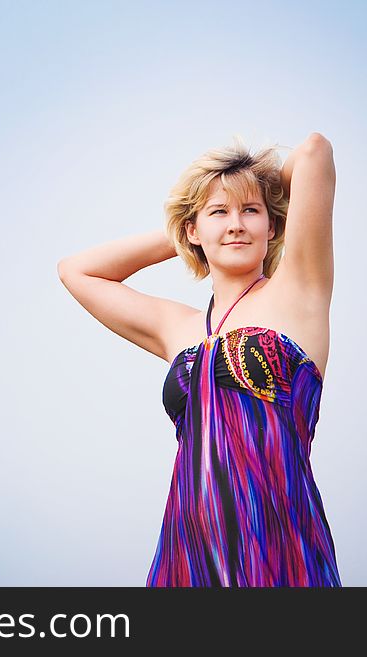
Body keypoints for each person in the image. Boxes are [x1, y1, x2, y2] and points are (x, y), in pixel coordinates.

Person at [57, 132, 340, 586]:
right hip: (187, 552)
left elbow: (314, 152)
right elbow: (77, 270)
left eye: (251, 211)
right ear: (193, 229)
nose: (236, 224)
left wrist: (244, 189)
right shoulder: (180, 329)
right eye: (219, 213)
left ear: (273, 226)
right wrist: (188, 231)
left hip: (276, 542)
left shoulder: (298, 290)